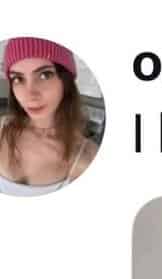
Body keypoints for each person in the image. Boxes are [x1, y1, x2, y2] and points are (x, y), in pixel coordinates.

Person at [0, 37, 98, 196]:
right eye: (18, 79)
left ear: (65, 81)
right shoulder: (2, 129)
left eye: (44, 75)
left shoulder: (86, 157)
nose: (30, 94)